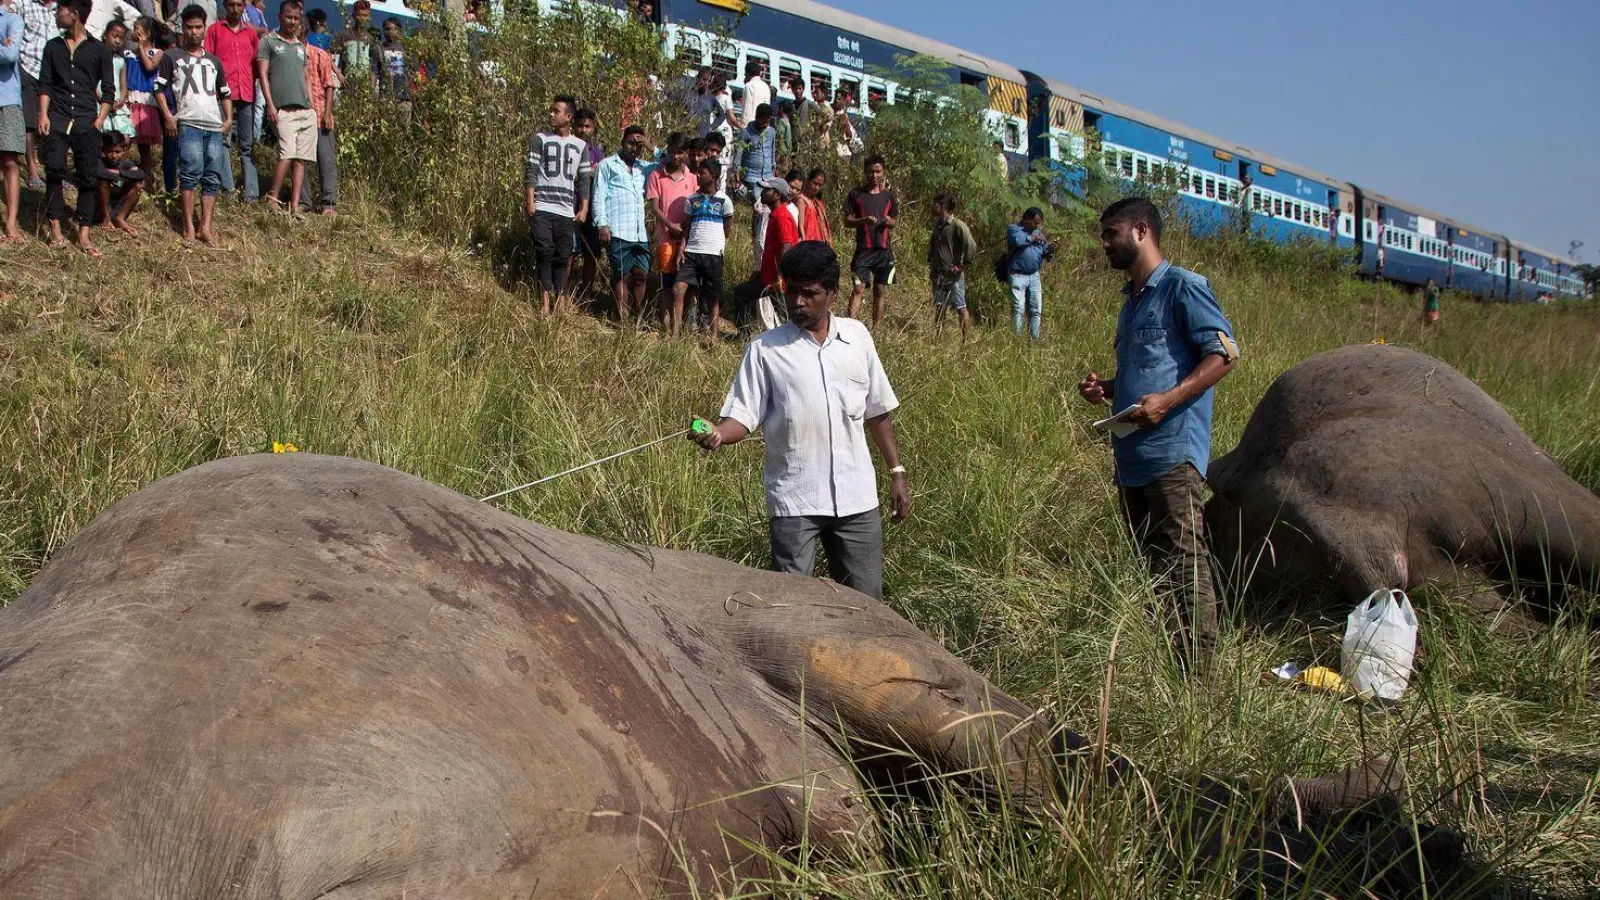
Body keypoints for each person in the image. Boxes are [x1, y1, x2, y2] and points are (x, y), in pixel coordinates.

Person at [693, 241, 910, 600]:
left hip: (857, 500)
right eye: (791, 290)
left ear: (833, 294)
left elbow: (878, 411)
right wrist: (718, 433)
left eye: (809, 294)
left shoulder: (858, 339)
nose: (797, 302)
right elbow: (742, 418)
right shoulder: (765, 349)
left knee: (866, 605)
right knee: (793, 607)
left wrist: (897, 471)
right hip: (796, 503)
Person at [1077, 198, 1238, 670]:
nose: (1104, 243)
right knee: (1154, 570)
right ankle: (1169, 664)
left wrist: (1168, 400)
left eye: (1112, 233)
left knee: (1187, 569)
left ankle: (1201, 684)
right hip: (1132, 460)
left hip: (1172, 456)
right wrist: (1107, 388)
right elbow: (1149, 370)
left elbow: (1224, 354)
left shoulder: (1183, 288)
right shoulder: (1132, 302)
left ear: (1141, 232)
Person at [38, 0, 116, 256]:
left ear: (75, 14)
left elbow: (108, 90)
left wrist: (100, 120)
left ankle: (84, 232)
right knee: (54, 171)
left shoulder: (99, 50)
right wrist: (43, 114)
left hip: (86, 119)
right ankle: (56, 227)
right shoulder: (53, 47)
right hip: (58, 116)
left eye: (61, 9)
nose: (57, 13)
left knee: (87, 175)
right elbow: (46, 84)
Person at [155, 3, 229, 244]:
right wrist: (168, 116)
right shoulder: (172, 57)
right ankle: (188, 226)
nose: (194, 32)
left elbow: (224, 92)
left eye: (198, 27)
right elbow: (158, 89)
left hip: (213, 123)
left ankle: (205, 226)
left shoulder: (214, 61)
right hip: (188, 122)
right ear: (182, 28)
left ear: (205, 28)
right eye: (189, 27)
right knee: (189, 173)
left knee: (212, 175)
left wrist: (228, 119)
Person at [524, 94, 592, 316]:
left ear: (568, 116)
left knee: (563, 257)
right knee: (544, 251)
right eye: (551, 110)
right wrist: (530, 202)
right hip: (543, 206)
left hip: (565, 210)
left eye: (556, 111)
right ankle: (544, 302)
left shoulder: (580, 146)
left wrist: (583, 208)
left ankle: (560, 302)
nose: (551, 114)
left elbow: (583, 180)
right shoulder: (540, 139)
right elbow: (531, 172)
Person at [255, 0, 312, 214]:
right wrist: (270, 104)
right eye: (289, 17)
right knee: (286, 154)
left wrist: (312, 106)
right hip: (282, 109)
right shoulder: (268, 41)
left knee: (300, 158)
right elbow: (262, 74)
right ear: (279, 16)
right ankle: (272, 199)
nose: (292, 21)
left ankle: (295, 206)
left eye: (296, 18)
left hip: (304, 110)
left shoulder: (300, 46)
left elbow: (306, 76)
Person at [593, 124, 650, 326]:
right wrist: (602, 224)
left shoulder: (645, 167)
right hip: (618, 229)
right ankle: (623, 320)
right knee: (622, 275)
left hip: (639, 233)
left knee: (642, 274)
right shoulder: (607, 165)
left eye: (638, 144)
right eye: (630, 143)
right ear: (622, 142)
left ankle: (639, 319)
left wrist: (652, 148)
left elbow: (671, 163)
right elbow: (598, 196)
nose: (634, 148)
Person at [673, 157, 731, 338]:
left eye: (702, 173)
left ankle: (713, 337)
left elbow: (726, 230)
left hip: (713, 254)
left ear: (713, 176)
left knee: (713, 297)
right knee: (678, 288)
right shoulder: (691, 200)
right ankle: (674, 335)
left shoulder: (724, 201)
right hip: (692, 252)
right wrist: (682, 249)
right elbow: (687, 228)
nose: (698, 175)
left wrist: (717, 244)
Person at [203, 0, 254, 200]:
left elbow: (255, 64)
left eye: (239, 5)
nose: (235, 9)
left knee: (247, 145)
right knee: (223, 141)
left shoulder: (250, 33)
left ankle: (250, 192)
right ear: (225, 5)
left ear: (244, 7)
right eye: (231, 5)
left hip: (246, 92)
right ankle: (227, 189)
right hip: (222, 93)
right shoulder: (214, 30)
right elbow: (208, 61)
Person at [843, 154, 898, 328]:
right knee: (858, 288)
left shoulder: (889, 196)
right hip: (863, 251)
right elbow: (847, 220)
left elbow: (894, 220)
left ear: (883, 172)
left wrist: (890, 222)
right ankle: (850, 327)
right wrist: (864, 221)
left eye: (877, 171)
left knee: (880, 290)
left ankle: (876, 330)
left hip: (883, 251)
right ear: (865, 172)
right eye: (870, 172)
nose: (874, 175)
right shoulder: (856, 194)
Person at [645, 131, 692, 317]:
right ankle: (665, 321)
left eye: (680, 152)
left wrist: (683, 228)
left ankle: (685, 322)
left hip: (687, 239)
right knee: (666, 282)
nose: (675, 156)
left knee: (685, 283)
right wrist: (671, 225)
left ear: (685, 153)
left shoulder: (692, 178)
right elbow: (655, 208)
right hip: (666, 238)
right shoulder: (656, 176)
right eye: (672, 152)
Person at [563, 106, 603, 305]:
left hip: (591, 211)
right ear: (573, 126)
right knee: (569, 252)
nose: (583, 130)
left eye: (587, 126)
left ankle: (586, 298)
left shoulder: (597, 154)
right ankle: (564, 295)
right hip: (569, 207)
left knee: (591, 256)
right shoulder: (567, 149)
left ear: (593, 128)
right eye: (580, 126)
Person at [296, 15, 334, 215]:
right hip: (296, 115)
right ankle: (304, 200)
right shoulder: (288, 55)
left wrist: (327, 114)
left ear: (306, 29)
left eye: (300, 25)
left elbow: (329, 86)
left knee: (325, 159)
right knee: (298, 159)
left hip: (319, 113)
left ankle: (328, 203)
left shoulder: (319, 55)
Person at [18, 0, 56, 192]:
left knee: (55, 124)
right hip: (28, 67)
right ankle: (31, 169)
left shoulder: (61, 8)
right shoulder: (24, 3)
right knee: (30, 123)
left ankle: (54, 172)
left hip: (53, 74)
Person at [927, 192, 976, 342]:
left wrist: (963, 266)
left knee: (961, 307)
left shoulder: (957, 225)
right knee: (940, 308)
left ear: (941, 206)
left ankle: (966, 341)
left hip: (953, 277)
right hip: (938, 275)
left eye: (934, 203)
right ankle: (938, 339)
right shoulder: (938, 226)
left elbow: (971, 245)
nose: (932, 207)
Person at [125, 16, 164, 187]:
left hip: (146, 100)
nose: (133, 31)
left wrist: (141, 46)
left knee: (144, 144)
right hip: (131, 98)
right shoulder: (128, 54)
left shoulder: (157, 53)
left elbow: (149, 67)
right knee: (127, 137)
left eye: (136, 28)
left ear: (146, 33)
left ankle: (146, 174)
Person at [1006, 207, 1051, 341]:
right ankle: (1017, 339)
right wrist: (1032, 238)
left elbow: (1044, 249)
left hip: (1034, 275)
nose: (1037, 226)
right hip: (1017, 275)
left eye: (1039, 223)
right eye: (1035, 222)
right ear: (1027, 219)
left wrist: (1049, 254)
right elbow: (1017, 241)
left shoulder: (1038, 233)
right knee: (1018, 308)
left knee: (1035, 309)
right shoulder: (1014, 229)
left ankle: (1034, 338)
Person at [739, 102, 776, 260]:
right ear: (757, 118)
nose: (765, 125)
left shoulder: (772, 132)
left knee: (768, 208)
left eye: (767, 122)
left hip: (767, 175)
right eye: (763, 121)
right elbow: (739, 151)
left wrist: (774, 168)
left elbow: (772, 150)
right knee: (758, 208)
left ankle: (764, 235)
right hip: (752, 176)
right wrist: (738, 170)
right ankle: (756, 237)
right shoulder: (747, 132)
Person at [0, 0, 23, 243]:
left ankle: (11, 222)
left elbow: (10, 54)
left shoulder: (12, 19)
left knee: (9, 160)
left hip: (6, 96)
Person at [93, 128, 142, 233]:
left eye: (117, 152)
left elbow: (141, 175)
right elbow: (100, 172)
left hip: (116, 205)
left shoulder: (125, 164)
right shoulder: (98, 162)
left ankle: (120, 218)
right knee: (103, 181)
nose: (113, 155)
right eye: (109, 151)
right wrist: (127, 174)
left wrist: (118, 173)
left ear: (124, 150)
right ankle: (105, 218)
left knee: (138, 184)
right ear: (103, 150)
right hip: (98, 207)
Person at [756, 175, 797, 289]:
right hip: (769, 279)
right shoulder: (775, 215)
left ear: (778, 195)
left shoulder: (782, 217)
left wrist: (779, 276)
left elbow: (787, 245)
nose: (762, 193)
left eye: (767, 190)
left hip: (777, 283)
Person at [101, 21, 135, 139]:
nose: (117, 41)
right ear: (105, 35)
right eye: (114, 36)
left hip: (116, 105)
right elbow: (93, 83)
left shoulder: (120, 61)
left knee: (122, 139)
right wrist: (102, 100)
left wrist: (121, 99)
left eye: (121, 38)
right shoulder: (96, 57)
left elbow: (123, 84)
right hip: (100, 102)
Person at [331, 0, 379, 85]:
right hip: (347, 84)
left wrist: (372, 86)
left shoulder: (371, 39)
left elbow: (374, 66)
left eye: (365, 16)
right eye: (359, 15)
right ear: (353, 16)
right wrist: (338, 73)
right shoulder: (344, 35)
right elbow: (327, 55)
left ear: (369, 17)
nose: (362, 19)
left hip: (364, 87)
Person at [797, 167, 830, 246]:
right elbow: (800, 225)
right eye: (814, 183)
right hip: (807, 244)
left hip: (818, 244)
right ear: (808, 180)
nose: (816, 187)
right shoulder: (801, 200)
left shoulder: (817, 203)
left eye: (820, 185)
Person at [740, 58, 768, 124]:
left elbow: (747, 108)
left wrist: (743, 125)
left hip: (751, 125)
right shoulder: (766, 86)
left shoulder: (749, 85)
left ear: (748, 73)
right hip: (763, 125)